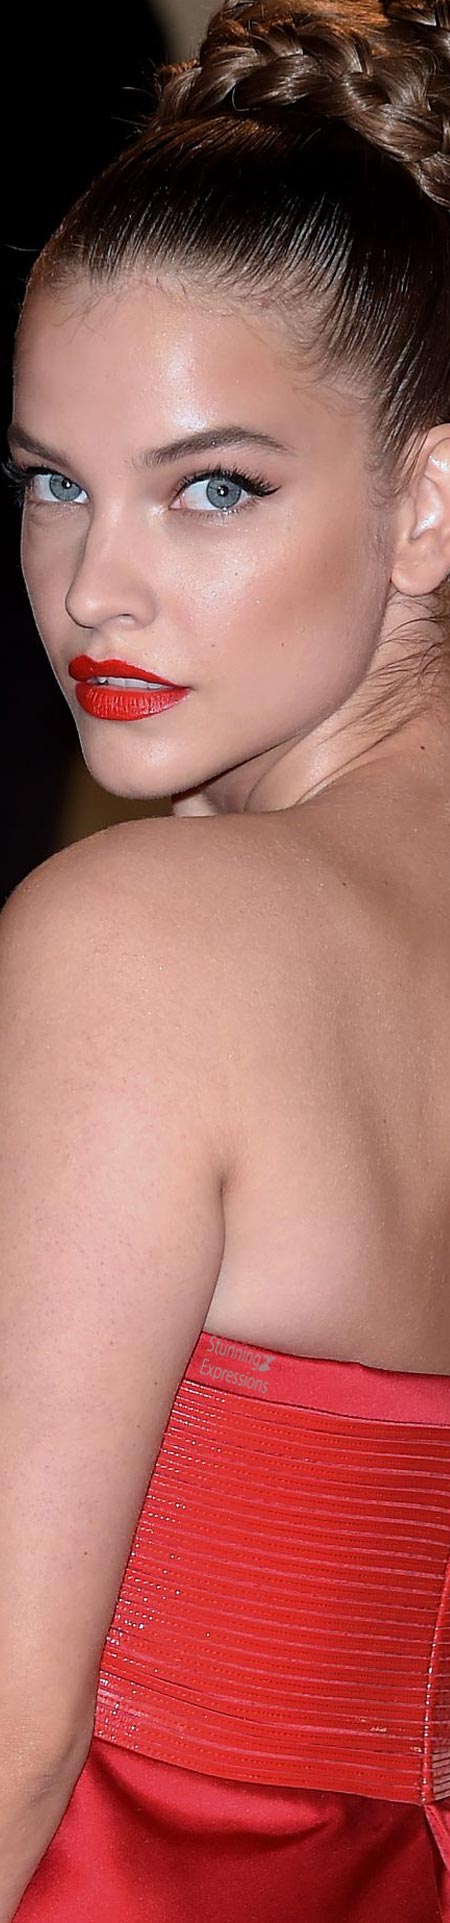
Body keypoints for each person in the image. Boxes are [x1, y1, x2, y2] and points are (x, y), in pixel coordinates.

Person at [1, 0, 450, 1915]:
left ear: (429, 502)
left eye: (212, 486)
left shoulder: (139, 942)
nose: (93, 587)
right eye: (49, 481)